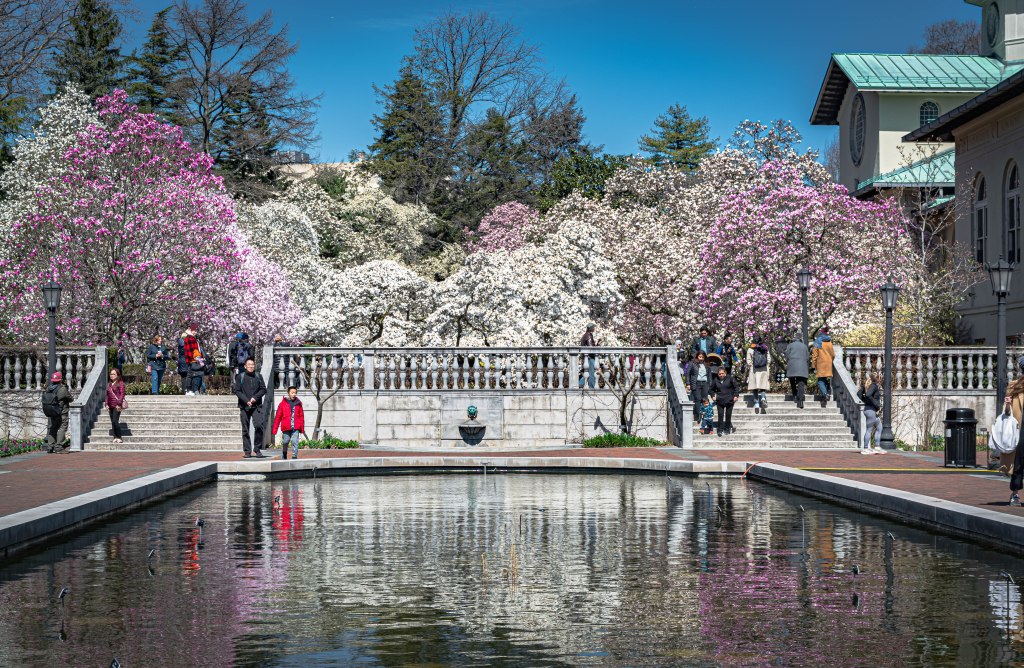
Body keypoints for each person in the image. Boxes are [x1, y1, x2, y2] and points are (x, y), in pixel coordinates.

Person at [234, 358, 267, 458]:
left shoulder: (258, 376)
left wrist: (254, 398)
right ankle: (247, 451)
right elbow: (237, 391)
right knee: (245, 429)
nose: (251, 366)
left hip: (256, 406)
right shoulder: (240, 376)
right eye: (249, 365)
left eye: (252, 364)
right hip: (244, 406)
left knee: (259, 425)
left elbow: (263, 389)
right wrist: (246, 400)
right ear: (245, 366)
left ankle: (257, 449)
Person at [1004, 357, 1024, 504]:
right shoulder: (1014, 386)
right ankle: (1015, 493)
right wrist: (1007, 405)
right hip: (1020, 429)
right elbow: (1006, 413)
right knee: (1018, 462)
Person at [272, 386, 305, 460]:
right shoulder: (282, 404)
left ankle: (294, 456)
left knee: (295, 442)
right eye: (292, 393)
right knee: (285, 441)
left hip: (296, 427)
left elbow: (301, 417)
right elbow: (278, 417)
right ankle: (284, 453)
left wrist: (302, 428)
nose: (294, 394)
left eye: (295, 393)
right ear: (288, 393)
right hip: (286, 427)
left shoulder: (298, 404)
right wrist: (275, 429)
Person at [41, 371, 71, 453]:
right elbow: (71, 399)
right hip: (62, 412)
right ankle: (59, 447)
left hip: (52, 412)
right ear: (60, 379)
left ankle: (50, 446)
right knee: (62, 428)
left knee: (53, 428)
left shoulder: (48, 389)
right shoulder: (63, 389)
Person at [858, 372, 884, 454]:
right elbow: (868, 395)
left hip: (869, 409)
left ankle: (877, 447)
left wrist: (866, 401)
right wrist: (875, 403)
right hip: (871, 410)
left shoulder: (867, 384)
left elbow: (859, 394)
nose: (880, 378)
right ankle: (865, 448)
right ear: (877, 378)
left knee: (879, 427)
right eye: (880, 377)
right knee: (869, 430)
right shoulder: (873, 385)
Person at [710, 366, 740, 436]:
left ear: (725, 373)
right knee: (720, 415)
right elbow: (711, 389)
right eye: (719, 374)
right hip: (720, 400)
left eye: (722, 373)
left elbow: (736, 387)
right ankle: (720, 430)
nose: (721, 375)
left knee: (728, 415)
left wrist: (736, 395)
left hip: (729, 400)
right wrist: (712, 395)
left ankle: (727, 429)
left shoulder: (730, 378)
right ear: (718, 374)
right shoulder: (715, 380)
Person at [784, 333, 810, 409]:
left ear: (794, 338)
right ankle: (800, 401)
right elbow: (807, 357)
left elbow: (787, 355)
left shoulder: (790, 345)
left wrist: (789, 361)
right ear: (801, 338)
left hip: (792, 364)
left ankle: (795, 395)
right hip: (802, 366)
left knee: (792, 380)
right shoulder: (804, 346)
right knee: (801, 383)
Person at [812, 327, 836, 406]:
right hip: (828, 363)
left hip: (821, 363)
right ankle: (826, 392)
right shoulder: (829, 342)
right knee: (824, 379)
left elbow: (815, 355)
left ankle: (825, 395)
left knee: (820, 381)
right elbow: (833, 354)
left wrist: (814, 365)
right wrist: (829, 360)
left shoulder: (818, 341)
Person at [747, 336, 771, 414]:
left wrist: (751, 366)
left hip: (754, 369)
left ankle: (756, 403)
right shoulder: (765, 348)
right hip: (764, 369)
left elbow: (748, 361)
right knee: (763, 385)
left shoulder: (751, 349)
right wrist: (766, 366)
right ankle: (763, 398)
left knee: (755, 387)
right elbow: (769, 359)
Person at [686, 351, 712, 423]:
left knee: (704, 399)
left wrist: (710, 384)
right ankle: (697, 415)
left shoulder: (706, 364)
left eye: (702, 357)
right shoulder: (692, 363)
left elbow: (709, 375)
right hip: (696, 383)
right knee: (697, 399)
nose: (701, 358)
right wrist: (688, 383)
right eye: (700, 357)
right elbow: (687, 373)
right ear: (697, 357)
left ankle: (706, 414)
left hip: (705, 383)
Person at [105, 368, 127, 444]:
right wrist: (106, 404)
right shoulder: (109, 384)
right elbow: (107, 396)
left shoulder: (121, 383)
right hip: (110, 405)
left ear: (118, 375)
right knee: (112, 421)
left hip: (117, 405)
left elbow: (122, 394)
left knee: (115, 420)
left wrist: (119, 404)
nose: (112, 375)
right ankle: (115, 437)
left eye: (114, 374)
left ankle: (119, 436)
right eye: (111, 374)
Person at [579, 323, 598, 389]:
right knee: (591, 373)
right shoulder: (589, 335)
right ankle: (592, 387)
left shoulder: (585, 335)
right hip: (589, 358)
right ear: (591, 328)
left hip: (586, 357)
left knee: (587, 373)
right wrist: (597, 346)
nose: (594, 328)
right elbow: (591, 348)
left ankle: (579, 384)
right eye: (593, 327)